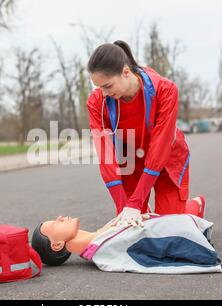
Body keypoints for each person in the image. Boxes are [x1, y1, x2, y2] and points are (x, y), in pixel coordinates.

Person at [86, 40, 205, 228]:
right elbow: (106, 156)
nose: (104, 93)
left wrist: (135, 202)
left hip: (166, 156)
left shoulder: (165, 90)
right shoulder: (96, 102)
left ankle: (193, 206)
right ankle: (146, 212)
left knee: (168, 230)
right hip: (131, 159)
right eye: (98, 87)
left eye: (107, 86)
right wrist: (124, 206)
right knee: (132, 228)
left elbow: (159, 149)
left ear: (126, 72)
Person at [31, 197, 222, 274]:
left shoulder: (97, 239)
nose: (60, 217)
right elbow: (153, 262)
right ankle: (191, 211)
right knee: (190, 206)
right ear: (56, 245)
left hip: (176, 224)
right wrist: (202, 255)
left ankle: (191, 210)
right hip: (183, 231)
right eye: (55, 223)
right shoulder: (104, 252)